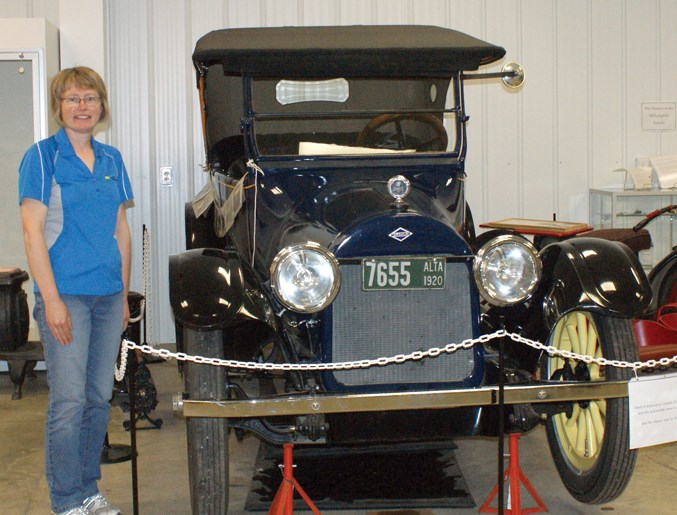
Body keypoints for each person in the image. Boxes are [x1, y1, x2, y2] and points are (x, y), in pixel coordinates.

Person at [18, 66, 133, 515]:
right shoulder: (43, 157)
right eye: (72, 99)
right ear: (58, 107)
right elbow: (32, 233)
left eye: (89, 98)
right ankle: (66, 499)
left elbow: (120, 230)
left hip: (106, 297)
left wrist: (123, 294)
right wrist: (50, 301)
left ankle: (89, 491)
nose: (82, 106)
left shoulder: (112, 159)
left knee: (97, 397)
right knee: (68, 400)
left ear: (101, 106)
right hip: (65, 295)